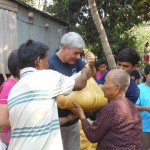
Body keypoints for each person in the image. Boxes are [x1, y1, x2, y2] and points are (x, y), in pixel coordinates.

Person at [7, 39, 92, 150]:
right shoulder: (47, 77)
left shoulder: (14, 90)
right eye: (47, 61)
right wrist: (86, 67)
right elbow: (80, 84)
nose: (48, 64)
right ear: (38, 61)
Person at [71, 69, 142, 150]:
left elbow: (93, 136)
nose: (102, 86)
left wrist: (81, 115)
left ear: (116, 87)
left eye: (105, 82)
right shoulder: (131, 105)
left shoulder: (112, 108)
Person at [49, 32, 96, 150]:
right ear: (64, 47)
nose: (78, 57)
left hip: (74, 121)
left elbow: (92, 77)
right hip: (57, 124)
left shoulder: (76, 62)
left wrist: (92, 64)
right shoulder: (50, 64)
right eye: (76, 53)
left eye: (80, 53)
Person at [0, 49, 19, 148]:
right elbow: (2, 120)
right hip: (10, 141)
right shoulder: (9, 86)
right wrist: (25, 123)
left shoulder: (18, 84)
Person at [135, 64, 150, 150]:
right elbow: (132, 106)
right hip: (144, 128)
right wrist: (146, 108)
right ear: (145, 75)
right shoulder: (139, 89)